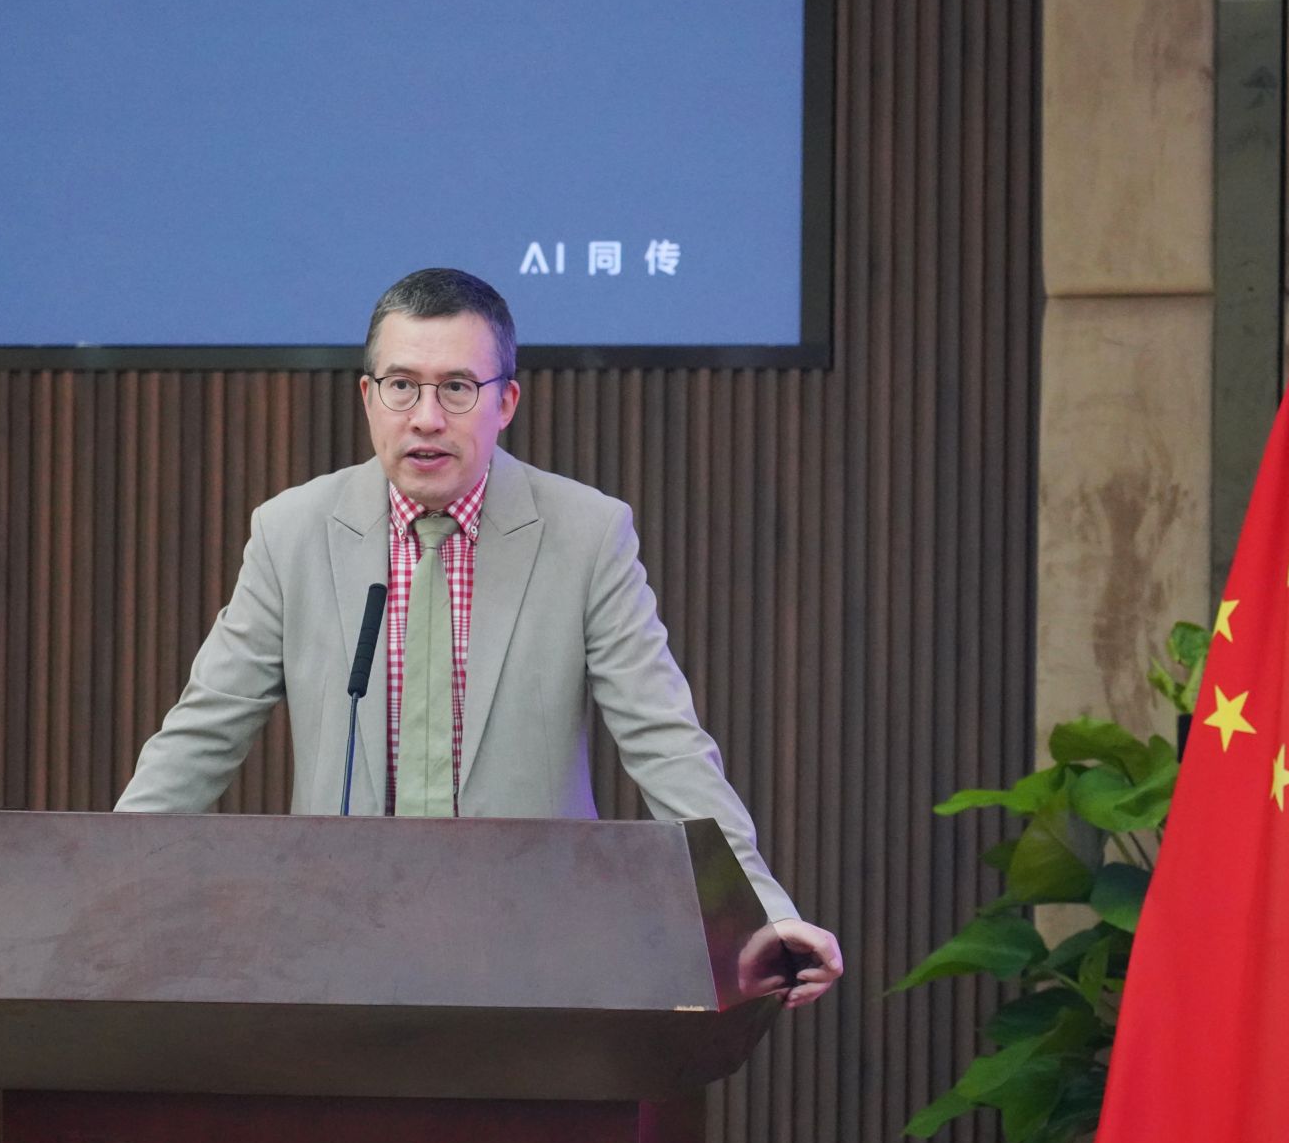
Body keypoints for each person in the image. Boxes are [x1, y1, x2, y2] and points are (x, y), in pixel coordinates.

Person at [116, 268, 842, 1007]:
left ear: (506, 403)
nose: (426, 418)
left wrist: (761, 912)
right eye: (402, 386)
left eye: (457, 388)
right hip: (341, 956)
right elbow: (201, 735)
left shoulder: (585, 535)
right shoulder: (292, 532)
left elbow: (667, 744)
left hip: (535, 962)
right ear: (367, 398)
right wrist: (97, 889)